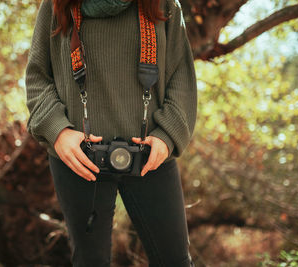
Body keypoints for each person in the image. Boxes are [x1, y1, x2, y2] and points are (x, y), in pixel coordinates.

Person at [25, 0, 197, 266]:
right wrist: (58, 132)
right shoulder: (57, 4)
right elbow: (38, 77)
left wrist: (166, 137)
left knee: (174, 260)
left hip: (151, 157)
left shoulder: (164, 4)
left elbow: (181, 78)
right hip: (79, 160)